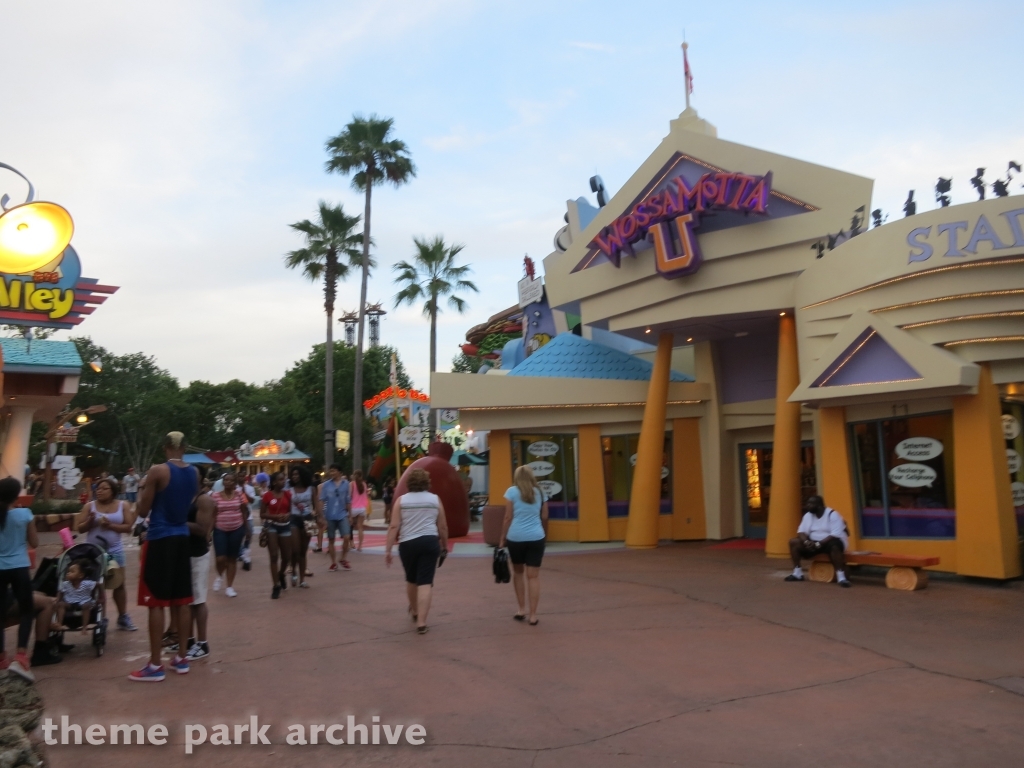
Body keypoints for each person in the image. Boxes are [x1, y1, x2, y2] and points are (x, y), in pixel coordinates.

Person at [129, 431, 199, 682]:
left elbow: (143, 508)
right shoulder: (194, 472)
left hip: (160, 536)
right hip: (182, 536)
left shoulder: (158, 471)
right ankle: (181, 657)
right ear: (185, 446)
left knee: (156, 600)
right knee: (182, 599)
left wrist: (141, 490)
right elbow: (190, 501)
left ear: (165, 446)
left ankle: (155, 664)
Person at [385, 469, 448, 635]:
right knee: (425, 582)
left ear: (409, 483)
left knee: (411, 580)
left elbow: (394, 526)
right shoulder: (435, 500)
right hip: (429, 542)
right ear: (427, 482)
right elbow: (442, 525)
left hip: (408, 543)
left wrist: (388, 549)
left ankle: (414, 610)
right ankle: (422, 622)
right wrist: (444, 545)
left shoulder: (401, 501)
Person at [74, 477, 138, 631]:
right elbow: (79, 528)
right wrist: (90, 522)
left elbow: (129, 527)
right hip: (93, 551)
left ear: (113, 491)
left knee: (119, 583)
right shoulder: (90, 506)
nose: (100, 491)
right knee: (95, 583)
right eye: (98, 488)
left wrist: (111, 525)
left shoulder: (123, 505)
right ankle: (98, 616)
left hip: (114, 550)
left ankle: (123, 616)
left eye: (104, 488)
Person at [0, 477, 39, 681]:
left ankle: (1, 658)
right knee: (26, 611)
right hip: (19, 567)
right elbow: (34, 542)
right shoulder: (24, 513)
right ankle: (21, 656)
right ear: (17, 495)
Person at [499, 465, 549, 626]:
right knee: (533, 576)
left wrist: (502, 538)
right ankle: (533, 615)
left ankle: (521, 609)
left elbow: (508, 517)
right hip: (536, 537)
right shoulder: (541, 492)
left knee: (518, 573)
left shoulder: (512, 492)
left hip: (516, 537)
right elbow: (545, 515)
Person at [786, 495, 851, 588]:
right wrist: (806, 542)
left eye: (810, 503)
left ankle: (841, 577)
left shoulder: (832, 514)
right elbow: (801, 531)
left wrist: (819, 544)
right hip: (814, 543)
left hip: (831, 541)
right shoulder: (808, 515)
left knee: (835, 546)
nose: (807, 505)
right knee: (793, 542)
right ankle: (797, 573)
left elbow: (835, 534)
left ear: (819, 505)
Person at [182, 489, 216, 660]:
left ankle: (202, 643)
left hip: (197, 554)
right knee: (186, 601)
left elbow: (202, 529)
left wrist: (176, 522)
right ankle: (188, 640)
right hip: (183, 553)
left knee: (198, 600)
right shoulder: (183, 495)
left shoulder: (203, 500)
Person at [211, 472, 248, 597]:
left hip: (237, 528)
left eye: (231, 480)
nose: (228, 482)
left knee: (232, 558)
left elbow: (244, 511)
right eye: (226, 480)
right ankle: (219, 575)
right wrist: (208, 532)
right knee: (220, 558)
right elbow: (212, 514)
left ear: (235, 483)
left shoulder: (239, 495)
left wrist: (246, 529)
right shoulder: (215, 496)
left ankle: (229, 587)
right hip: (220, 528)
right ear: (223, 482)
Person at [260, 472, 293, 599]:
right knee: (274, 556)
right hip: (272, 526)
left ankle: (281, 574)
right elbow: (262, 514)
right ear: (274, 482)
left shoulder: (288, 494)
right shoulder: (267, 496)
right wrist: (275, 516)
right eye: (280, 479)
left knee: (287, 557)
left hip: (285, 526)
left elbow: (291, 510)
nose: (283, 481)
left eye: (284, 479)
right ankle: (275, 585)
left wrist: (288, 515)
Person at [317, 464, 350, 571]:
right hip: (330, 515)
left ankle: (343, 558)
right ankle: (333, 562)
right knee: (331, 539)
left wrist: (350, 514)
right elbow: (321, 500)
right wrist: (321, 516)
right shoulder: (326, 485)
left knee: (346, 537)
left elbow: (348, 500)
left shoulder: (346, 484)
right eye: (330, 471)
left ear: (339, 472)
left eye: (334, 471)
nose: (332, 473)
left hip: (342, 514)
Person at [288, 465, 315, 588]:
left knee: (303, 551)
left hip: (308, 519)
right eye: (293, 475)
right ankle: (293, 572)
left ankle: (302, 579)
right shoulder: (289, 489)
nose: (294, 477)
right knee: (295, 549)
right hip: (294, 519)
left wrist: (319, 516)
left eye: (297, 474)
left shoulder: (311, 489)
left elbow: (316, 504)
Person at [53, 560, 96, 632]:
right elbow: (60, 592)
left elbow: (98, 584)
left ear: (80, 575)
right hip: (69, 602)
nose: (68, 573)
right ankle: (59, 624)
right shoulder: (65, 584)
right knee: (60, 604)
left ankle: (84, 626)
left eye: (72, 572)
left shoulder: (86, 583)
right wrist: (58, 599)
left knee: (87, 606)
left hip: (83, 601)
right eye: (68, 572)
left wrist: (99, 595)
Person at [350, 470, 369, 552]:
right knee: (360, 527)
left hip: (353, 507)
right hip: (362, 508)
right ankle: (360, 546)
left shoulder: (352, 484)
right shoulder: (364, 484)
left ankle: (350, 543)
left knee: (349, 527)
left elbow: (349, 496)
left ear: (354, 475)